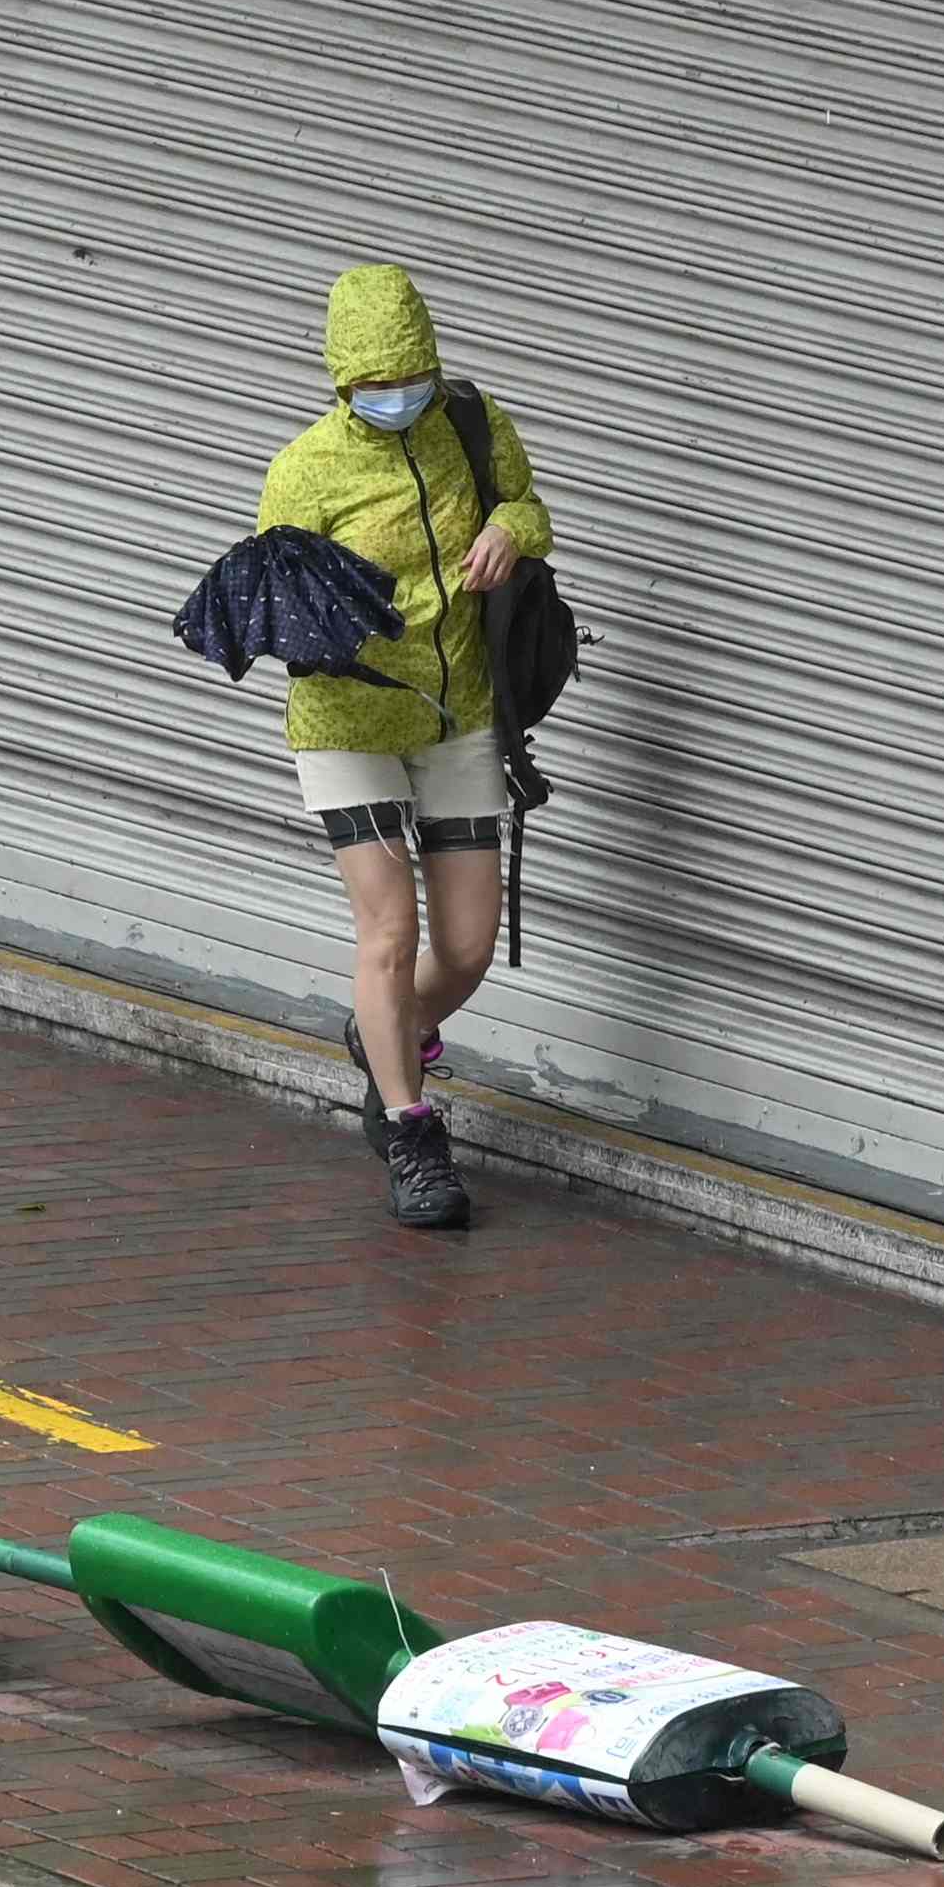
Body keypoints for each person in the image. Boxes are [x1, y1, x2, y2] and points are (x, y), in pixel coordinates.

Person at [255, 263, 550, 1233]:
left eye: (412, 373)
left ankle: (383, 1029)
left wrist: (509, 530)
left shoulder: (470, 423)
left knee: (465, 949)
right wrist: (338, 615)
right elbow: (275, 603)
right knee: (390, 933)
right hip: (350, 724)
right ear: (343, 381)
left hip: (459, 713)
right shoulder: (306, 470)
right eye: (377, 382)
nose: (399, 393)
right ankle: (412, 1132)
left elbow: (529, 505)